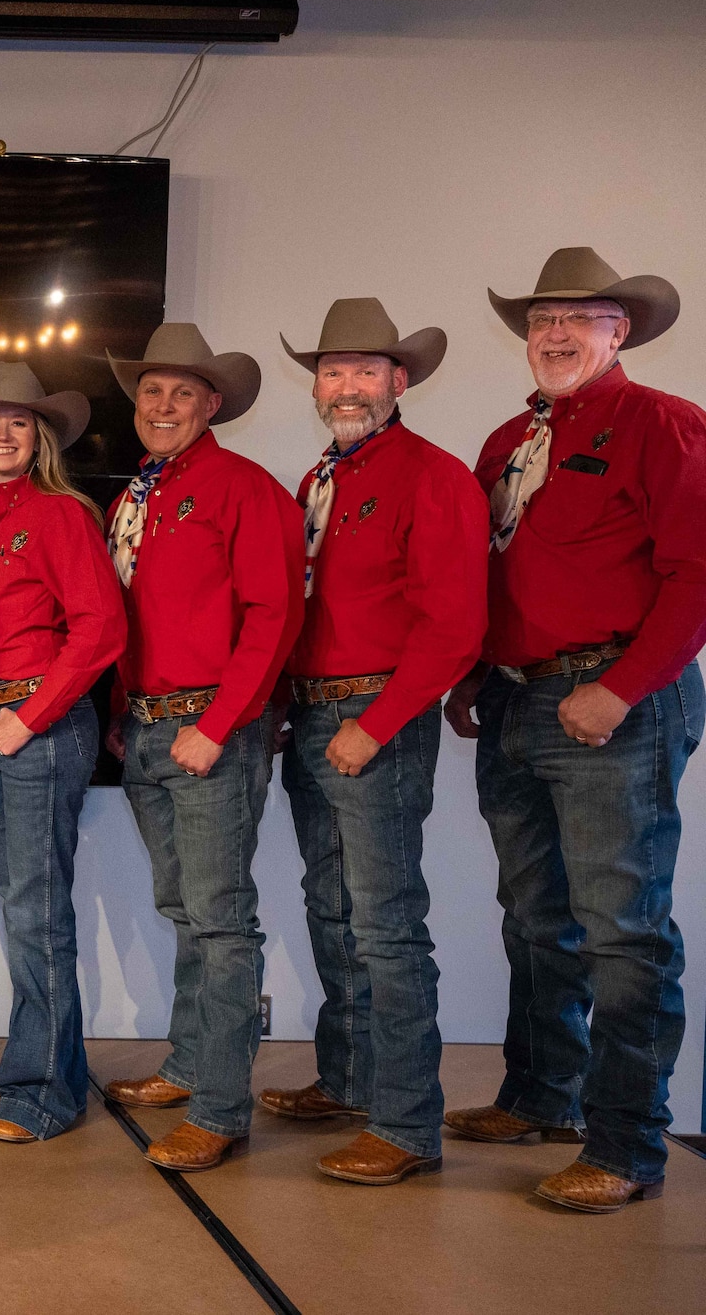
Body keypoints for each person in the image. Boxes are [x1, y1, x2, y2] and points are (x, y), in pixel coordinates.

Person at [444, 248, 705, 1213]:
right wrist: (477, 674)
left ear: (619, 330)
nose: (554, 334)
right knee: (534, 916)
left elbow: (698, 573)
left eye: (579, 318)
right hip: (517, 699)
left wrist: (627, 686)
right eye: (541, 318)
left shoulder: (663, 425)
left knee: (622, 930)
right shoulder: (512, 438)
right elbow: (490, 572)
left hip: (610, 701)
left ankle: (628, 1143)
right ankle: (540, 1094)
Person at [270, 299, 487, 1185]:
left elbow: (454, 625)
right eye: (333, 371)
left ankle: (405, 1124)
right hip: (315, 714)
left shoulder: (431, 476)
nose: (348, 386)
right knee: (331, 905)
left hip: (376, 719)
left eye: (366, 371)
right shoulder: (318, 478)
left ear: (400, 382)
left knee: (388, 924)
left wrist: (377, 723)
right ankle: (349, 1078)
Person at [99, 323, 304, 1171]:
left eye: (183, 392)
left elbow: (274, 615)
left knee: (222, 923)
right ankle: (188, 1064)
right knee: (184, 907)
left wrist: (218, 724)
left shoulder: (245, 487)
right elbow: (125, 616)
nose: (164, 405)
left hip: (207, 730)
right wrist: (120, 710)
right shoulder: (135, 497)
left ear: (212, 404)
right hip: (145, 726)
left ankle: (221, 1107)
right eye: (152, 391)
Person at [0, 363, 125, 1144]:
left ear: (42, 435)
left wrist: (28, 713)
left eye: (18, 422)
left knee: (36, 910)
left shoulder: (57, 512)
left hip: (40, 726)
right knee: (25, 906)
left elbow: (99, 629)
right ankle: (40, 1056)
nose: (2, 434)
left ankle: (46, 1090)